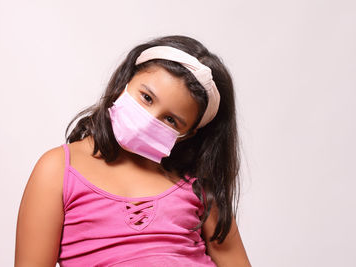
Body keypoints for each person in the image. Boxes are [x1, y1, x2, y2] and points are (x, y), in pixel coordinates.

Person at [15, 35, 251, 267]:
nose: (149, 120)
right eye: (146, 97)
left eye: (170, 119)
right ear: (125, 82)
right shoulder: (58, 169)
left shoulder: (198, 186)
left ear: (187, 134)